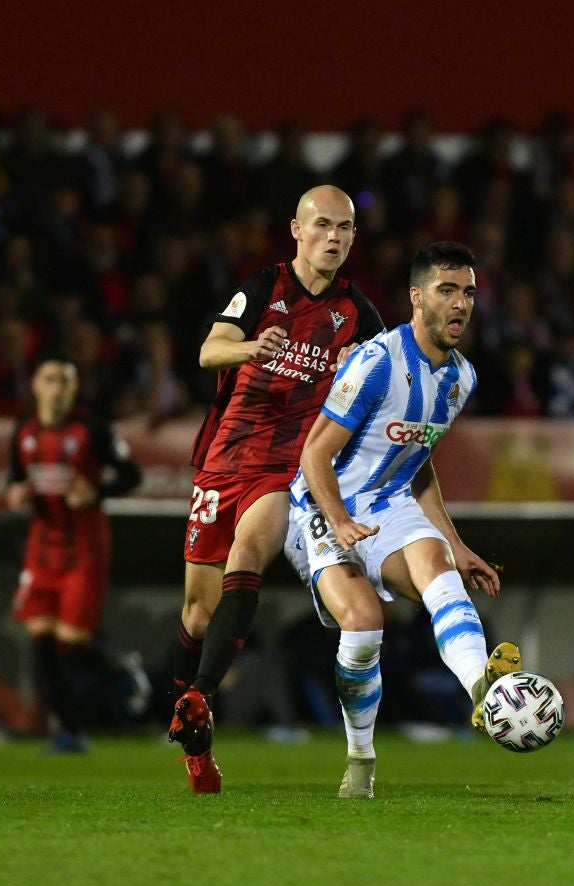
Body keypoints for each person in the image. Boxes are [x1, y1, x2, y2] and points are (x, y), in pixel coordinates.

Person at [167, 185, 384, 793]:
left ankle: (202, 695)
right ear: (296, 229)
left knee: (249, 551)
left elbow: (382, 388)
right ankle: (195, 740)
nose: (333, 237)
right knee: (196, 614)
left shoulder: (360, 316)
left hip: (284, 468)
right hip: (222, 460)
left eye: (344, 228)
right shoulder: (264, 288)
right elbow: (208, 349)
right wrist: (251, 347)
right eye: (322, 225)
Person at [286, 241, 515, 798]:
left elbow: (418, 462)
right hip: (322, 503)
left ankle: (482, 690)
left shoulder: (462, 380)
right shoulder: (376, 362)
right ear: (417, 298)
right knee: (364, 622)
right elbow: (314, 455)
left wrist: (455, 542)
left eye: (467, 292)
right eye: (446, 290)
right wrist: (338, 521)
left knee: (440, 568)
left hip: (389, 504)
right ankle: (360, 760)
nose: (460, 304)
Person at [6, 354, 142, 753]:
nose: (57, 388)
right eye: (50, 379)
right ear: (35, 386)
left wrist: (96, 492)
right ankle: (70, 731)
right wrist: (15, 491)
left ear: (74, 389)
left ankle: (123, 671)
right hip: (42, 546)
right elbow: (16, 477)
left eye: (65, 381)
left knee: (71, 641)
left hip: (85, 546)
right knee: (40, 638)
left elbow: (132, 474)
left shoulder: (93, 429)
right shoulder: (22, 431)